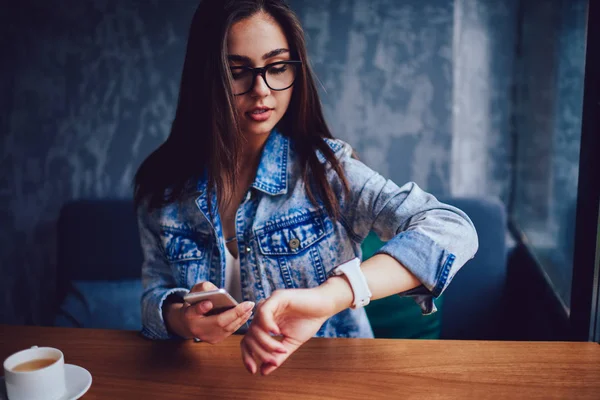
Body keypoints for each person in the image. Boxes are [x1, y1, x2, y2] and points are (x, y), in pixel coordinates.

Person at [133, 0, 478, 376]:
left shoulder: (329, 172)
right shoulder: (162, 188)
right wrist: (182, 319)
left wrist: (331, 295)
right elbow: (155, 293)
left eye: (278, 68)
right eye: (237, 72)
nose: (261, 89)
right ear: (206, 76)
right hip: (213, 381)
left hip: (330, 378)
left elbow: (451, 229)